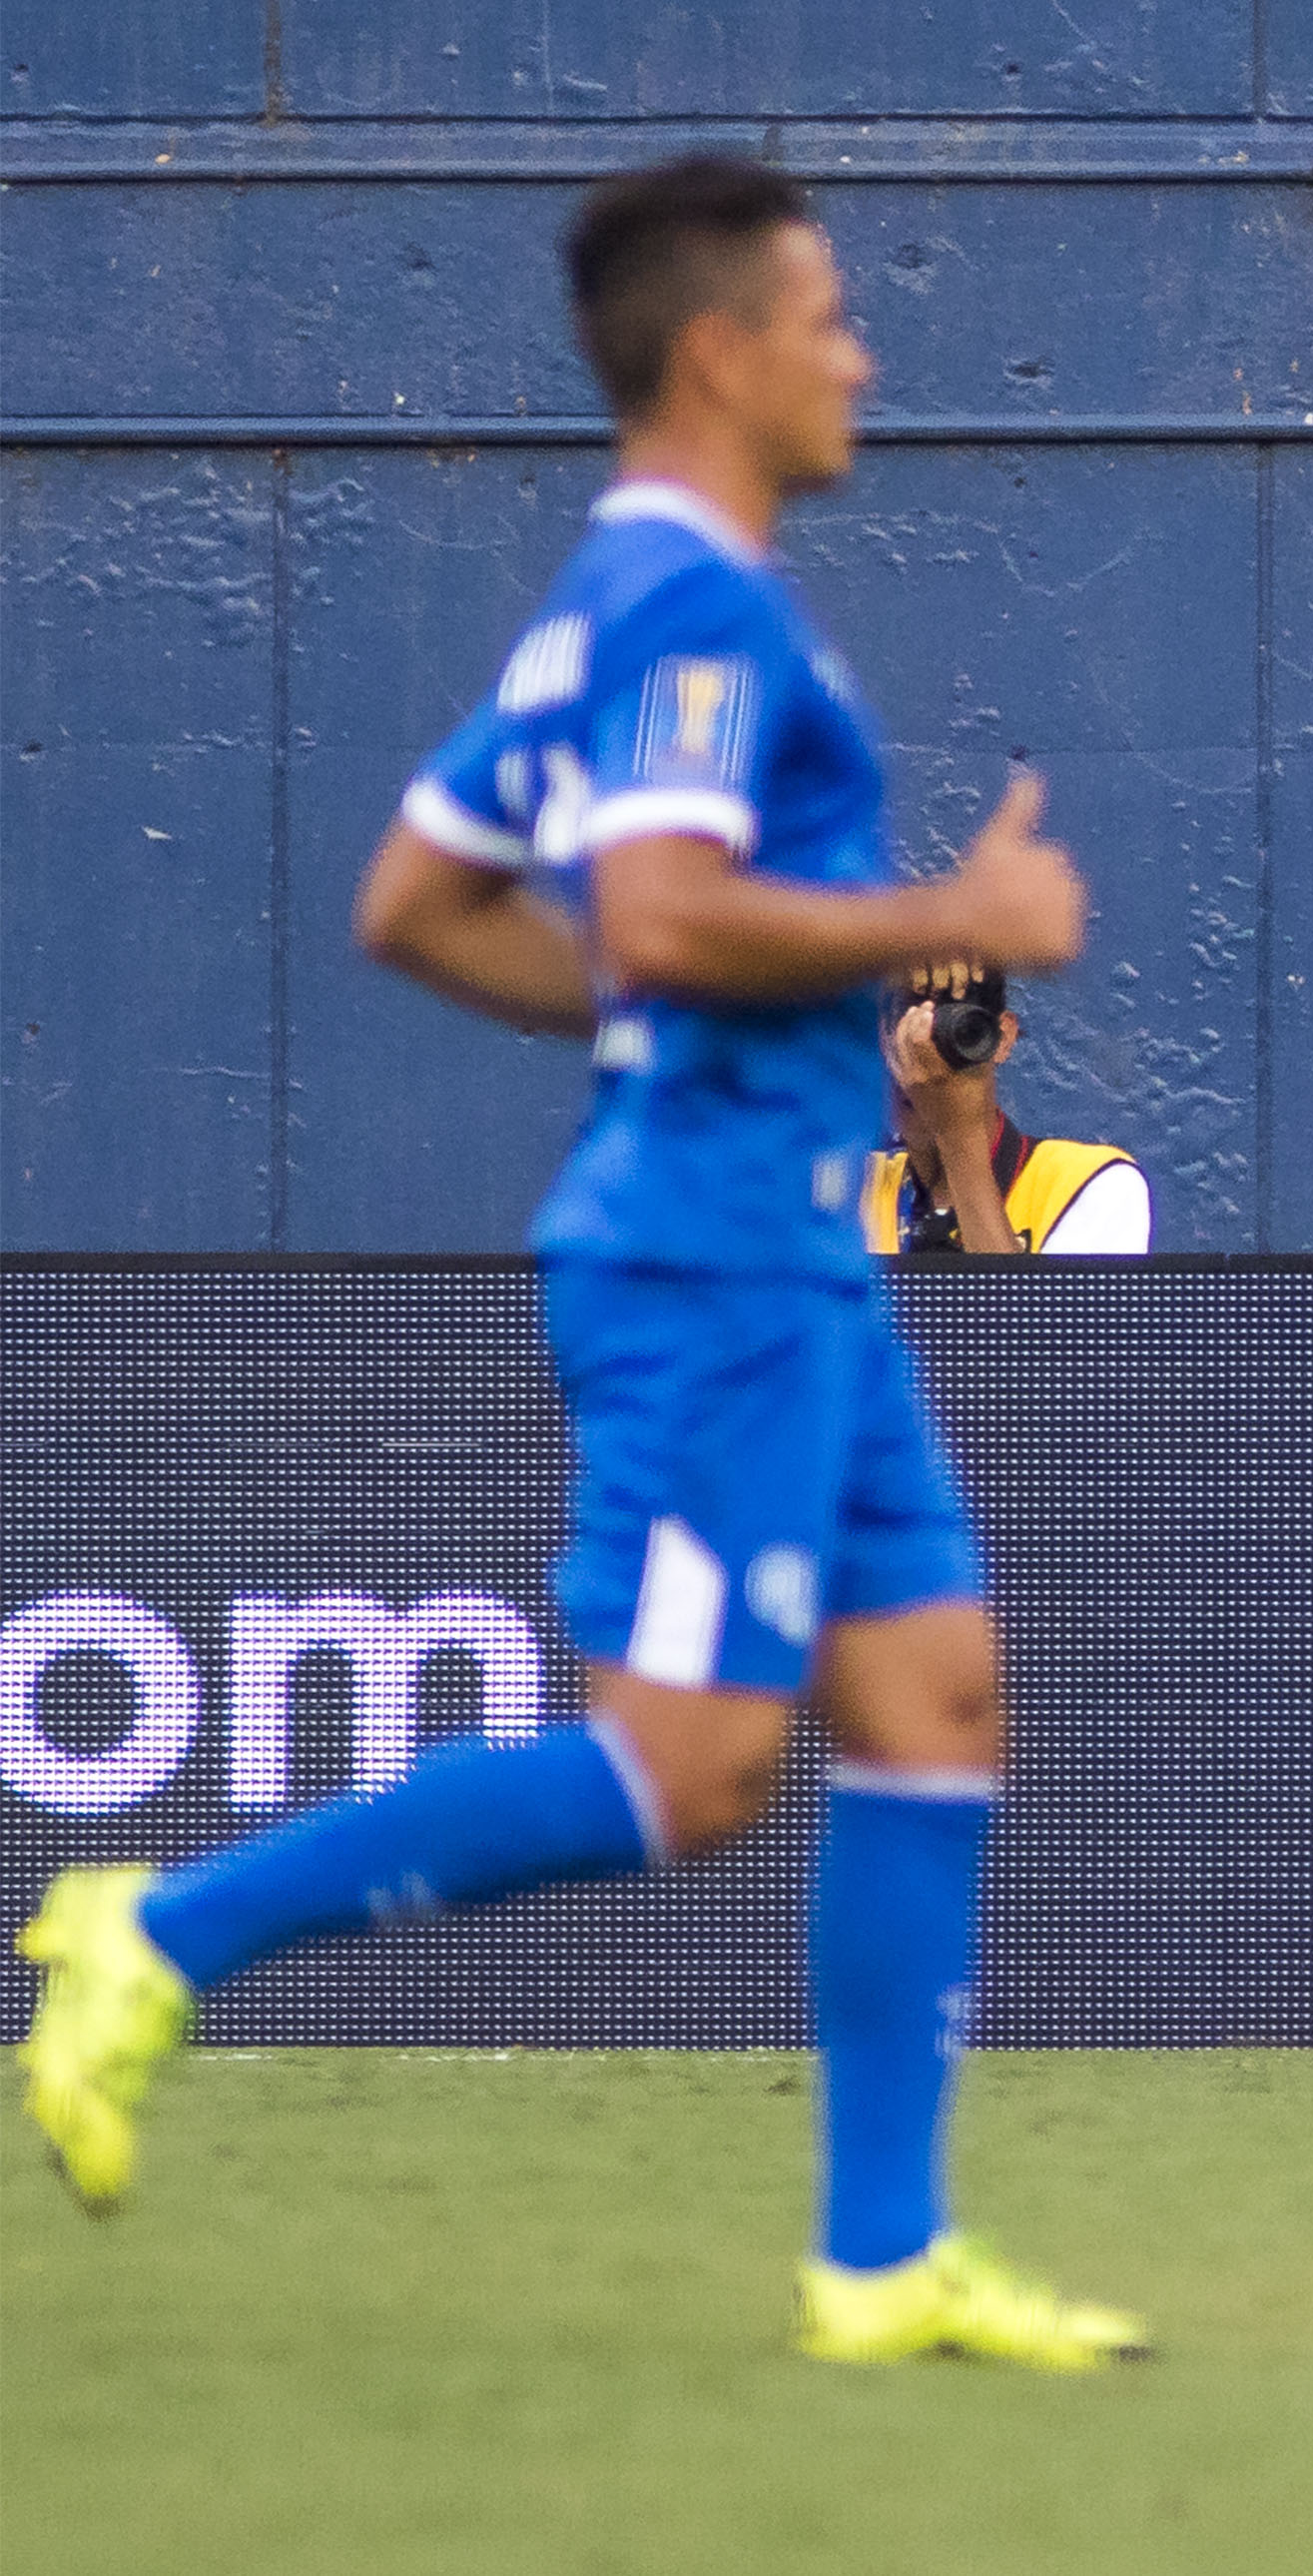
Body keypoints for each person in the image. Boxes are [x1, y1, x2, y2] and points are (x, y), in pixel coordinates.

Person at [18, 157, 1139, 2365]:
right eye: (827, 319)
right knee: (687, 1769)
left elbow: (418, 902)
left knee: (932, 1695)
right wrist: (950, 920)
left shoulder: (621, 601)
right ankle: (157, 1932)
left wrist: (670, 1002)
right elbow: (661, 912)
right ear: (719, 354)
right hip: (714, 1256)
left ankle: (883, 2253)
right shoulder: (690, 610)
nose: (860, 357)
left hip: (791, 1254)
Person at [865, 960, 1153, 1254]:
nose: (924, 1051)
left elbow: (1005, 1287)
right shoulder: (855, 1187)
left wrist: (957, 1135)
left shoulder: (1092, 1183)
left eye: (949, 1027)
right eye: (905, 1025)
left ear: (1002, 1038)